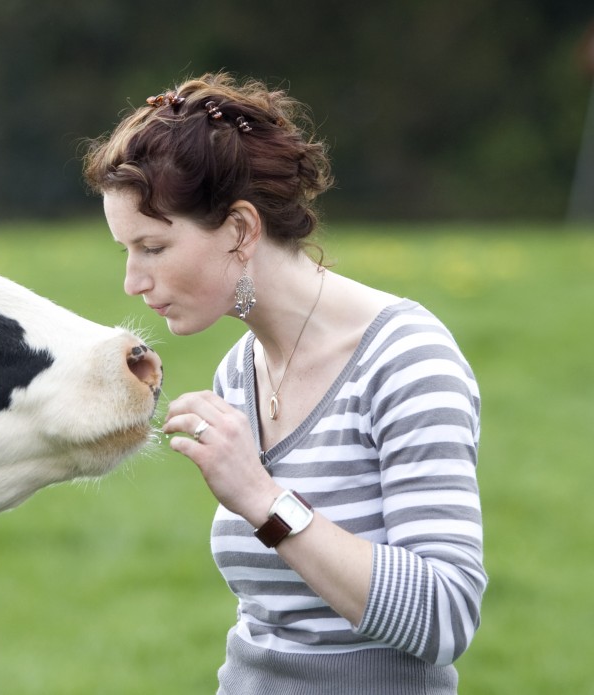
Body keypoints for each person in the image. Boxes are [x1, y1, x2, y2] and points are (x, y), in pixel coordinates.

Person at [83, 72, 486, 694]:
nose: (133, 282)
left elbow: (446, 616)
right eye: (126, 252)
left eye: (154, 247)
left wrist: (262, 499)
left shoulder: (407, 359)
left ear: (242, 230)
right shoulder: (238, 372)